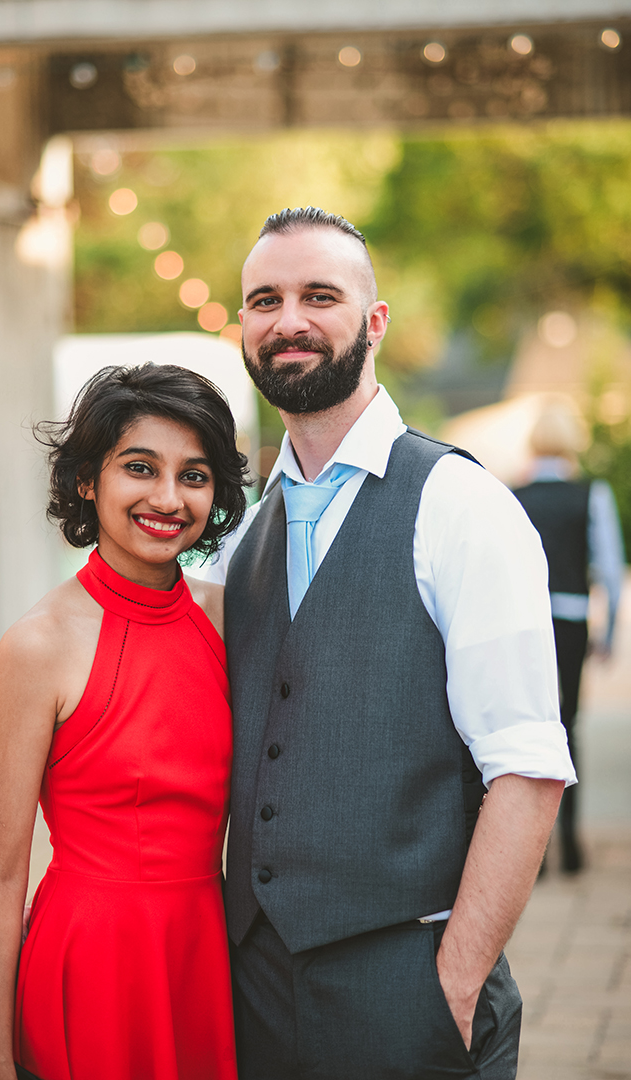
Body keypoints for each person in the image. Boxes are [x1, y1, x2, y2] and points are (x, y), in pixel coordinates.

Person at [201, 208, 577, 1080]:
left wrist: (449, 986)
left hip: (404, 986)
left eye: (317, 295)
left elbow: (525, 767)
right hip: (252, 989)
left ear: (373, 323)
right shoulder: (240, 539)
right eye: (265, 299)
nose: (287, 319)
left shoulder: (458, 505)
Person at [0, 363, 248, 1080]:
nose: (167, 498)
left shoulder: (229, 620)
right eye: (138, 468)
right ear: (87, 481)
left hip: (206, 955)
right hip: (89, 960)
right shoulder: (38, 644)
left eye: (194, 475)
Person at [513, 402, 625, 872]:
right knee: (568, 725)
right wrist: (611, 631)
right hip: (574, 618)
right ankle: (572, 848)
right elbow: (611, 570)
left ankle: (532, 854)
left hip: (524, 622)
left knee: (525, 730)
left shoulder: (512, 493)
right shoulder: (590, 493)